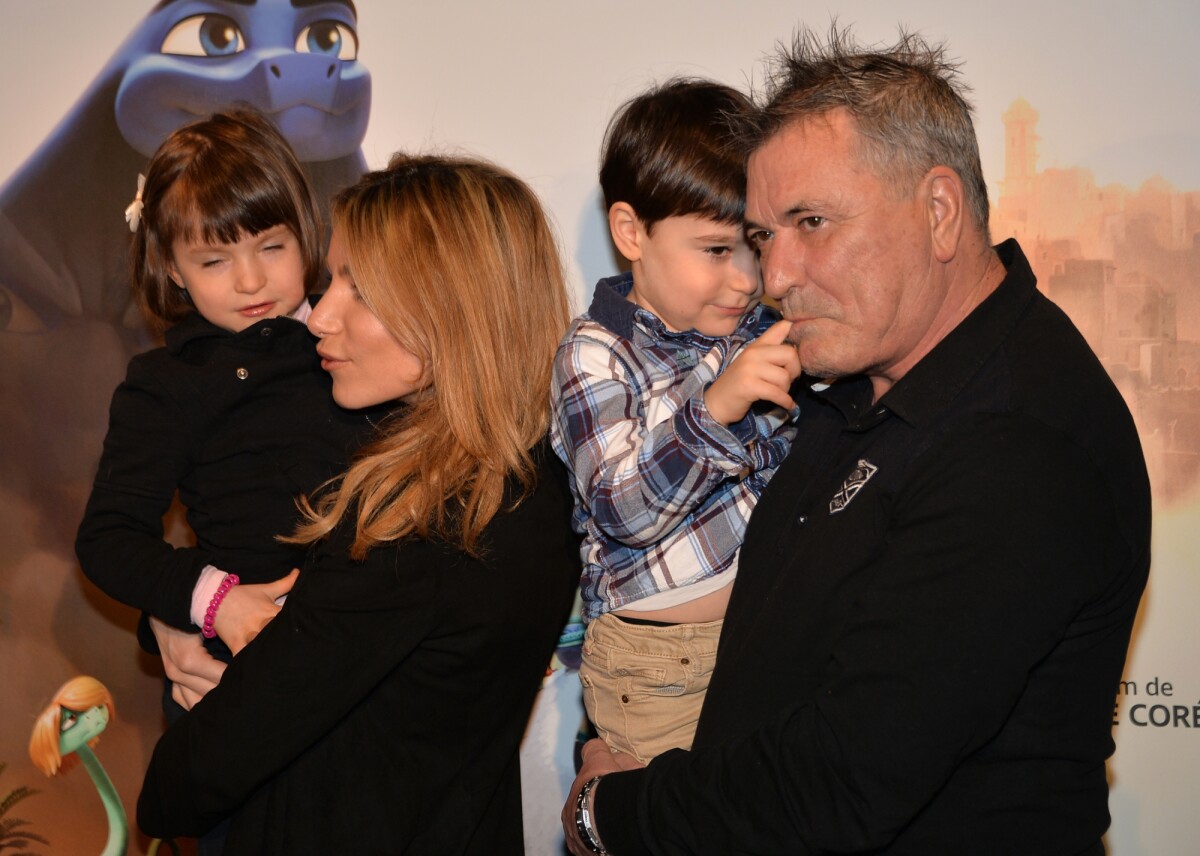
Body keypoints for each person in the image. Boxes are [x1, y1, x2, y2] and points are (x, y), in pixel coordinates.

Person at [563, 28, 1151, 856]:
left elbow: (846, 778)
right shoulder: (852, 371)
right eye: (765, 237)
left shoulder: (1018, 439)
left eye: (812, 222)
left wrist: (608, 815)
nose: (776, 276)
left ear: (939, 212)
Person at [137, 153, 581, 854]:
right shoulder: (535, 481)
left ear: (452, 310)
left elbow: (182, 784)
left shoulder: (420, 532)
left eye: (361, 289)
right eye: (332, 278)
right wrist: (170, 614)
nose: (321, 316)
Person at [75, 108, 375, 704]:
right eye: (214, 260)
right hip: (236, 678)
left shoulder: (357, 331)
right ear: (170, 267)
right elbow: (108, 539)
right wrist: (212, 602)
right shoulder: (166, 384)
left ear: (307, 231)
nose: (249, 281)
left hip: (371, 657)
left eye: (271, 247)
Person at [551, 79, 800, 765]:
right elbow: (622, 510)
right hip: (657, 668)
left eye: (755, 246)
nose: (747, 278)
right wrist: (717, 406)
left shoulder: (762, 331)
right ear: (631, 232)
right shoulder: (596, 352)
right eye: (717, 251)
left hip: (767, 636)